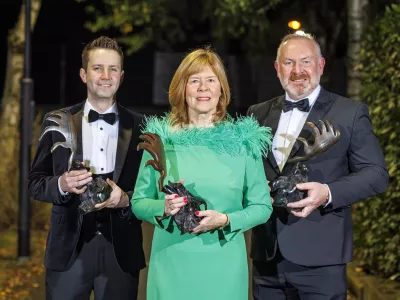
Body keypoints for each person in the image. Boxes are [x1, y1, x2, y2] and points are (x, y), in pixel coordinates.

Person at [247, 32, 389, 299]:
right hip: (266, 255)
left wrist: (327, 192)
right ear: (277, 68)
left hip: (321, 260)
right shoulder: (257, 113)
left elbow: (377, 175)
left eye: (306, 62)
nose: (297, 71)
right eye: (289, 63)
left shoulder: (350, 112)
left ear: (321, 65)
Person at [131, 47, 273, 300]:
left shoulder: (243, 143)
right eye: (194, 81)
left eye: (210, 80)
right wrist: (162, 207)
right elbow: (139, 202)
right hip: (172, 262)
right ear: (182, 90)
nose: (203, 88)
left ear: (221, 89)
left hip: (224, 265)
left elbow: (262, 206)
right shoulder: (160, 141)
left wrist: (226, 220)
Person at [29, 36, 145, 300]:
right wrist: (62, 184)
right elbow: (34, 182)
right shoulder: (57, 121)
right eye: (97, 68)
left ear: (122, 75)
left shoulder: (142, 126)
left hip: (122, 251)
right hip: (68, 248)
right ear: (83, 74)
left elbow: (152, 189)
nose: (106, 76)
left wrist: (126, 199)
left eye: (113, 68)